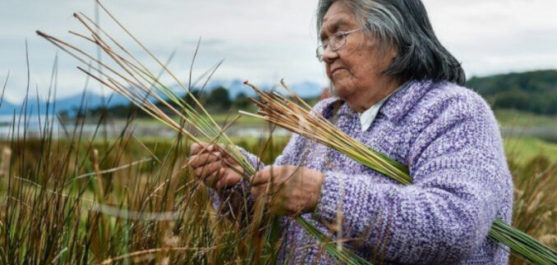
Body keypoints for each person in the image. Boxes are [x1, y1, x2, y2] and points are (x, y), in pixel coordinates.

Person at [189, 0, 513, 264]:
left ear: (394, 38)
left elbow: (454, 225)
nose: (328, 53)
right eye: (324, 42)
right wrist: (241, 184)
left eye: (340, 35)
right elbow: (279, 225)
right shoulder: (323, 119)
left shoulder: (451, 112)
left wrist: (323, 194)